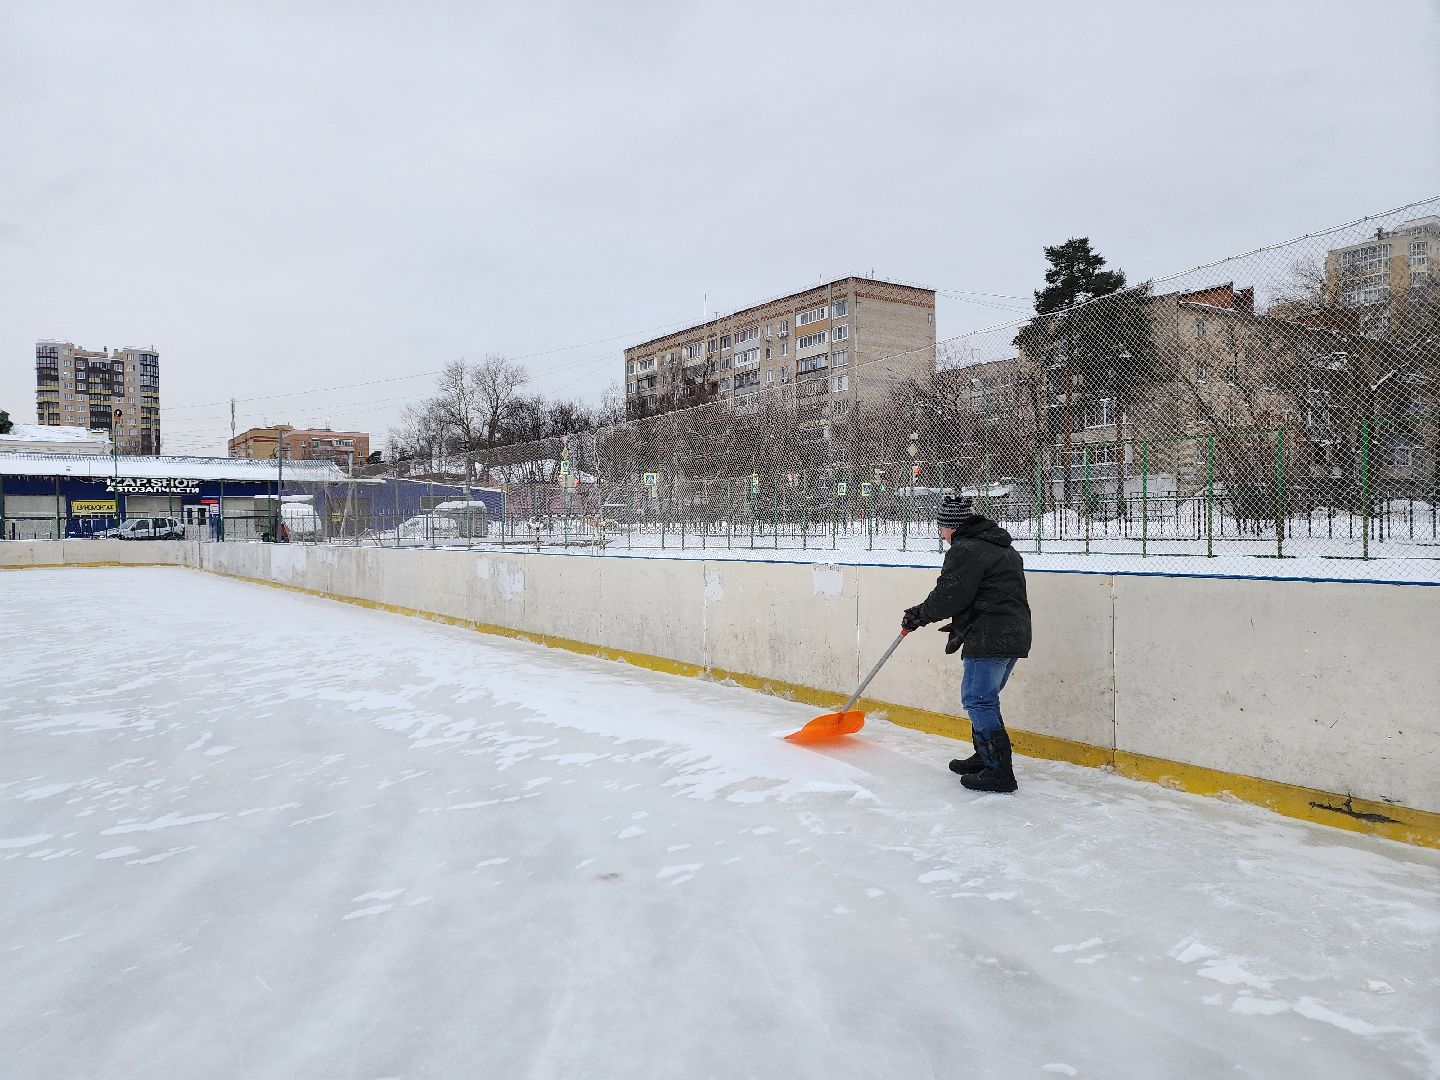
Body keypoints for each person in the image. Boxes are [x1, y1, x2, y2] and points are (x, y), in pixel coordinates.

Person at [900, 496, 1032, 793]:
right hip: (1013, 634)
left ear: (952, 527)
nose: (941, 534)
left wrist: (919, 615)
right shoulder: (1001, 548)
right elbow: (989, 593)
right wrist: (963, 621)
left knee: (977, 699)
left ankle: (999, 773)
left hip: (991, 636)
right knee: (985, 699)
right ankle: (984, 757)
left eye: (942, 528)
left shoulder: (966, 550)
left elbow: (951, 594)